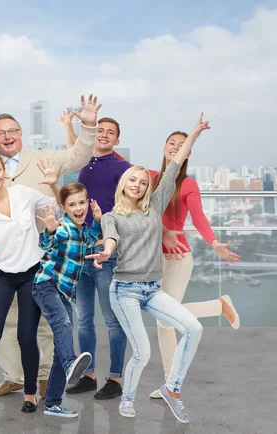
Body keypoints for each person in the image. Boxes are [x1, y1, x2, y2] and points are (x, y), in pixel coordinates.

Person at [87, 113, 210, 423]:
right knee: (143, 353)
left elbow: (175, 166)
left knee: (194, 328)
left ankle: (173, 389)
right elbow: (111, 239)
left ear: (148, 187)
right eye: (133, 180)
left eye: (143, 182)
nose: (138, 185)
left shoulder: (155, 206)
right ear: (124, 184)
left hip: (152, 289)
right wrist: (106, 252)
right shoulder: (112, 217)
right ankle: (127, 399)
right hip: (125, 290)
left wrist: (194, 133)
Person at [0, 95, 101, 399]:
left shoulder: (44, 158)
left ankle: (47, 374)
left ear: (21, 133)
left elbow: (80, 155)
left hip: (45, 256)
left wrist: (87, 125)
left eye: (12, 131)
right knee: (8, 321)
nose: (7, 137)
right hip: (3, 261)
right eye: (0, 133)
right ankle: (14, 376)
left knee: (47, 321)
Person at [0, 153, 59, 413]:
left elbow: (57, 207)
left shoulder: (23, 194)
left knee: (27, 336)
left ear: (4, 171)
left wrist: (53, 184)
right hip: (1, 276)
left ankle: (29, 393)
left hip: (31, 273)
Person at [148, 130, 241, 399]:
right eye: (171, 143)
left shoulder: (187, 184)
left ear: (188, 152)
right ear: (164, 147)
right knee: (162, 321)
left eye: (181, 145)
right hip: (154, 258)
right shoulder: (151, 178)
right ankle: (169, 383)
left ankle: (171, 384)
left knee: (166, 318)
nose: (176, 148)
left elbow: (198, 217)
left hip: (177, 258)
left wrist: (213, 242)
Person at [59, 112, 129, 399]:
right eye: (100, 130)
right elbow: (78, 145)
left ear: (117, 139)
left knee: (112, 320)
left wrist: (111, 233)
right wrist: (67, 126)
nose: (103, 135)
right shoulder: (86, 158)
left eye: (109, 132)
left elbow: (134, 201)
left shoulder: (122, 167)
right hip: (79, 251)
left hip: (104, 251)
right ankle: (88, 375)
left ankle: (115, 378)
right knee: (84, 319)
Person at [32, 183, 103, 418]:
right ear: (64, 208)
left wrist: (98, 220)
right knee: (63, 325)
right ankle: (71, 363)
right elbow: (46, 244)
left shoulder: (82, 230)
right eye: (72, 205)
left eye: (82, 202)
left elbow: (91, 240)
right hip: (46, 285)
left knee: (59, 350)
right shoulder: (62, 229)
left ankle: (52, 403)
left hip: (62, 292)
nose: (79, 207)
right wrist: (50, 230)